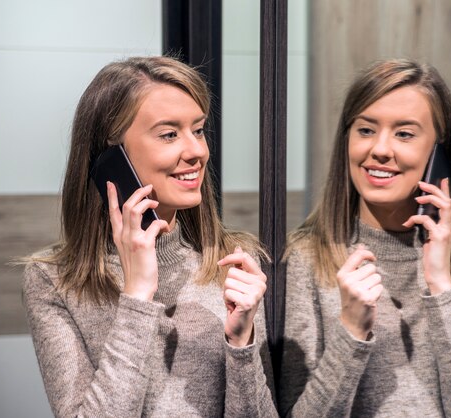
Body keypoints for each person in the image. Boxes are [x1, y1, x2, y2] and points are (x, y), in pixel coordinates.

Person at [23, 56, 277, 417]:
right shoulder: (52, 281)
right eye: (170, 134)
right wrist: (137, 297)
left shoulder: (235, 262)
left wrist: (241, 345)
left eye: (199, 130)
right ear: (112, 158)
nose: (196, 151)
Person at [279, 59, 451, 417]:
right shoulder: (306, 259)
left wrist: (440, 286)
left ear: (438, 152)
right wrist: (351, 331)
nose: (381, 149)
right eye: (366, 130)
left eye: (404, 134)